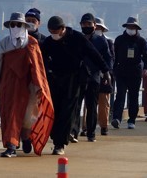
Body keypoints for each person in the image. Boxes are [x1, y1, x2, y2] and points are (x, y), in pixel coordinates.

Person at [41, 16, 111, 155]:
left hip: (74, 79)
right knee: (56, 110)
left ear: (63, 28)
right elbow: (41, 60)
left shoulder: (77, 38)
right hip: (55, 80)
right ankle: (56, 137)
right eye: (50, 31)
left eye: (56, 31)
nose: (53, 34)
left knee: (68, 111)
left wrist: (105, 70)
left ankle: (60, 144)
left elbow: (93, 54)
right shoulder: (48, 42)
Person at [0, 12, 54, 157]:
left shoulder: (31, 43)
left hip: (27, 87)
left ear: (24, 26)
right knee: (9, 114)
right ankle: (11, 145)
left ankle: (25, 138)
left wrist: (39, 87)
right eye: (13, 24)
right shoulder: (4, 43)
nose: (16, 27)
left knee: (27, 117)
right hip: (8, 85)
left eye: (19, 24)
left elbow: (38, 67)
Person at [72, 13, 112, 142]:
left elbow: (107, 58)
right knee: (76, 105)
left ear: (95, 25)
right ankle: (74, 131)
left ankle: (91, 133)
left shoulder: (101, 40)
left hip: (94, 76)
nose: (86, 26)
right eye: (84, 24)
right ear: (81, 25)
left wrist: (107, 73)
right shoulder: (77, 39)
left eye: (89, 24)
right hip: (79, 76)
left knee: (92, 106)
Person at [111, 16, 147, 129]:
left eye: (133, 27)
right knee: (120, 95)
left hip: (135, 72)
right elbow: (115, 57)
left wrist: (146, 68)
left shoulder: (141, 41)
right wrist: (113, 70)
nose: (131, 28)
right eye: (129, 26)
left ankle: (131, 119)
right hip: (121, 72)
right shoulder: (119, 40)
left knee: (133, 97)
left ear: (137, 28)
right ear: (126, 27)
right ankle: (117, 118)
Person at [95, 17, 114, 135]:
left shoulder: (109, 42)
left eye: (99, 27)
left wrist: (107, 73)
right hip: (91, 74)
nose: (97, 29)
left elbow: (111, 59)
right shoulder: (88, 40)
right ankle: (86, 127)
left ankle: (104, 126)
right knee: (89, 103)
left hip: (104, 75)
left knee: (104, 102)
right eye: (95, 27)